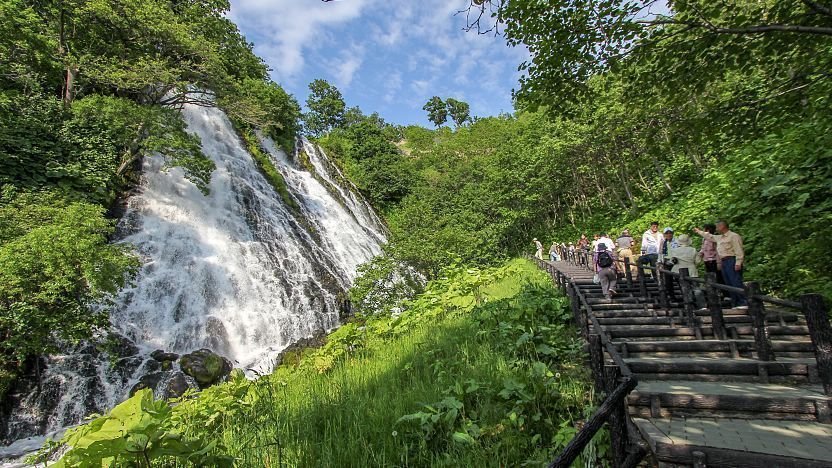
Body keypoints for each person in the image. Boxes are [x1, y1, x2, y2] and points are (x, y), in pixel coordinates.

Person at [694, 221, 747, 307]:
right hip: (724, 261)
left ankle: (743, 301)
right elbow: (709, 236)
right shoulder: (719, 237)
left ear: (723, 226)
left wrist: (738, 262)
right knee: (728, 282)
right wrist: (699, 232)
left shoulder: (733, 236)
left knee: (735, 281)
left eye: (718, 226)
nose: (716, 228)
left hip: (731, 259)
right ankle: (735, 302)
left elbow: (738, 250)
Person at [658, 227, 680, 301]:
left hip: (675, 261)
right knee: (668, 280)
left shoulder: (677, 241)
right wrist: (660, 260)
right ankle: (672, 296)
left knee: (678, 278)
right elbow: (660, 252)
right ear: (664, 235)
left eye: (670, 233)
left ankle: (684, 294)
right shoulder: (663, 242)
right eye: (667, 233)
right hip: (666, 261)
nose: (668, 235)